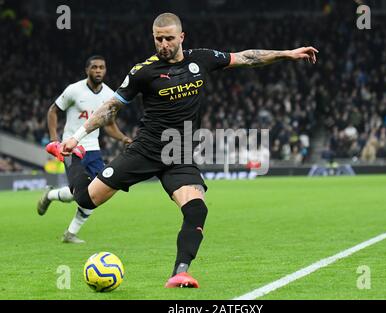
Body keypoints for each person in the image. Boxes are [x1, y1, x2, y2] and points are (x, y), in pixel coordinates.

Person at [49, 13, 318, 287]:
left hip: (178, 155)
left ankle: (180, 272)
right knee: (84, 200)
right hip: (145, 150)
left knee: (196, 210)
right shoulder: (143, 71)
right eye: (158, 39)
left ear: (181, 37)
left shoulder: (201, 59)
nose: (163, 44)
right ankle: (74, 159)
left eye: (168, 38)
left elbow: (247, 58)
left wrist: (287, 53)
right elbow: (111, 107)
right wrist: (78, 138)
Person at [37, 55, 132, 243]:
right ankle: (50, 195)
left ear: (105, 70)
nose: (98, 70)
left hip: (94, 150)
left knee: (96, 192)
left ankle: (69, 231)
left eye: (102, 67)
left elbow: (109, 124)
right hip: (71, 148)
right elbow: (52, 111)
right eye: (94, 67)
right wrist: (55, 140)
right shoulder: (74, 90)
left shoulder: (109, 95)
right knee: (79, 192)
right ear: (87, 70)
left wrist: (123, 138)